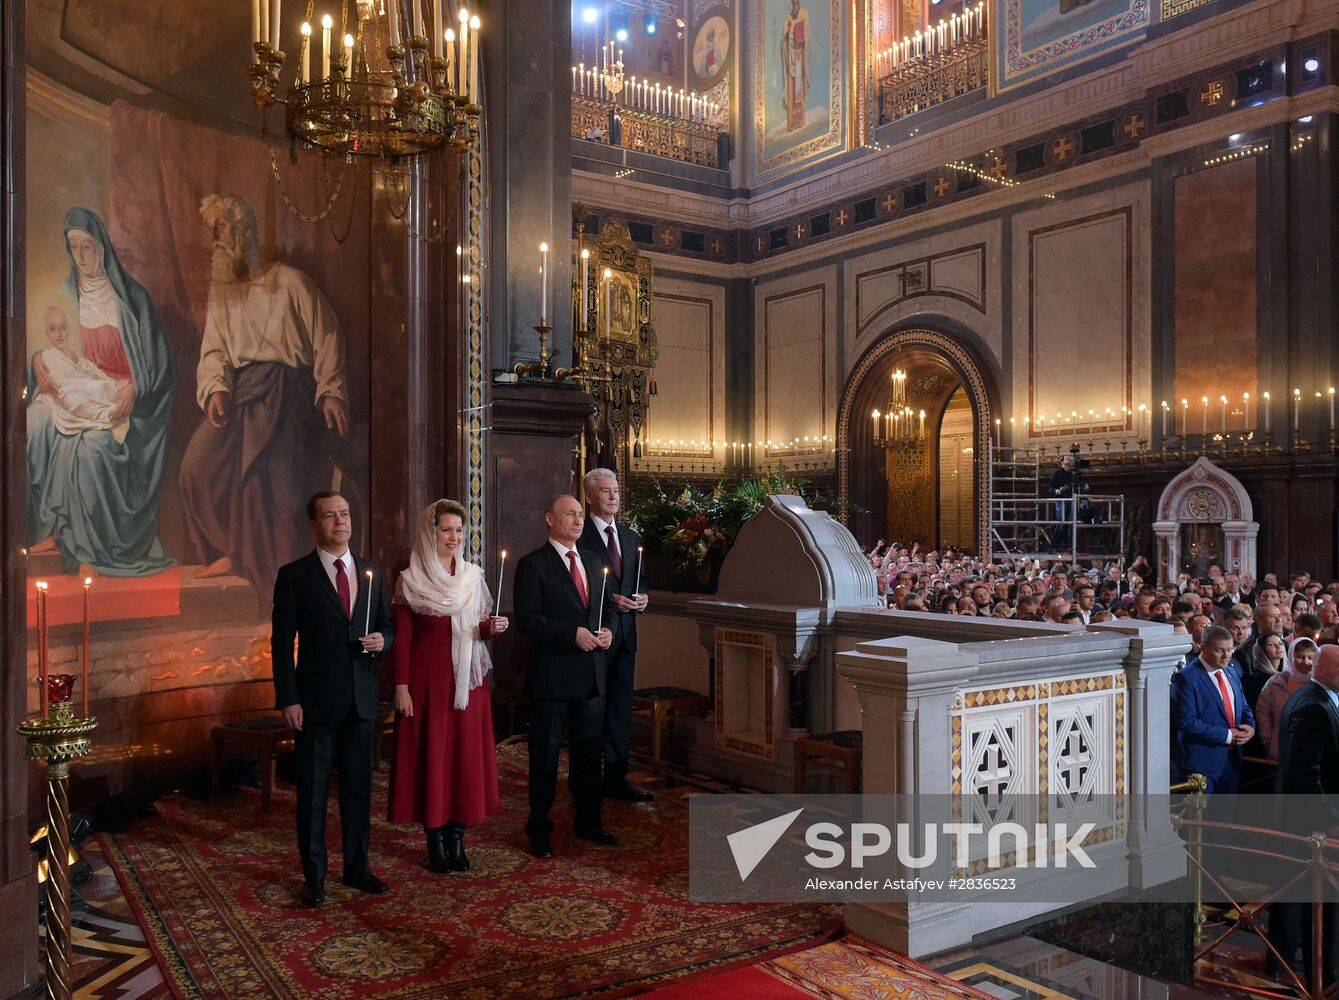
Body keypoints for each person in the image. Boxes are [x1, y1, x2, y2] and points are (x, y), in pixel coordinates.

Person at [180, 193, 350, 601]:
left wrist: (331, 391)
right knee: (195, 469)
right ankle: (232, 552)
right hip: (241, 397)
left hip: (288, 396)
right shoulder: (223, 294)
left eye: (222, 227)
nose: (216, 238)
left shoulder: (289, 282)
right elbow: (214, 351)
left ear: (244, 230)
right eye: (212, 230)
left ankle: (279, 588)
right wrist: (217, 388)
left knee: (273, 485)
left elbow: (327, 335)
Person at [27, 207, 176, 577]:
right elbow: (42, 338)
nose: (79, 256)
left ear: (103, 248)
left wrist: (135, 387)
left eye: (87, 247)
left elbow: (160, 366)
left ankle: (84, 548)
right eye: (73, 246)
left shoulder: (131, 299)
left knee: (92, 447)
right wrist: (35, 362)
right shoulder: (67, 294)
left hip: (125, 402)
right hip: (78, 390)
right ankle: (47, 530)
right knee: (35, 422)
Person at [271, 491, 394, 907]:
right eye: (330, 515)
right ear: (314, 524)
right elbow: (281, 641)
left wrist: (383, 640)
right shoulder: (294, 575)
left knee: (359, 790)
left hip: (361, 701)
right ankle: (314, 876)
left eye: (344, 513)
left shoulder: (372, 571)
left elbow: (387, 627)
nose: (340, 521)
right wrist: (288, 697)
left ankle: (357, 868)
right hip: (315, 702)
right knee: (313, 794)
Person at [388, 500, 509, 873]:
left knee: (464, 756)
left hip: (469, 684)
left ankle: (458, 837)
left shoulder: (473, 576)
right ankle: (435, 839)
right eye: (446, 530)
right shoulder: (410, 579)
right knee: (434, 756)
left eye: (459, 530)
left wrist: (492, 628)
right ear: (431, 533)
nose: (454, 537)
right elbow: (403, 639)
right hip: (428, 683)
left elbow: (478, 627)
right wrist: (401, 686)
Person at [513, 495, 619, 858]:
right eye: (569, 514)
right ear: (549, 519)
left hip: (590, 676)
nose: (577, 520)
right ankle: (538, 829)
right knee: (544, 758)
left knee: (589, 756)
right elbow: (528, 620)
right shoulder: (533, 564)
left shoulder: (592, 559)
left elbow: (608, 610)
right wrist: (570, 633)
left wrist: (608, 631)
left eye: (579, 514)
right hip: (553, 677)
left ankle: (589, 822)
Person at [578, 469, 652, 802]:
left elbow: (641, 579)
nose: (613, 497)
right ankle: (589, 783)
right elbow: (577, 586)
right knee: (592, 712)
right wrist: (611, 601)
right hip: (595, 637)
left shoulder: (630, 537)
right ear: (590, 496)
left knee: (621, 711)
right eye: (606, 492)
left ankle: (617, 779)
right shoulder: (580, 538)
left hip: (626, 637)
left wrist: (643, 598)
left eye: (616, 491)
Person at [1272, 644, 1339, 986]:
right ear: (1324, 671)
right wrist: (1330, 818)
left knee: (1294, 894)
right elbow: (1306, 772)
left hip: (1299, 818)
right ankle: (1320, 978)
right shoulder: (1313, 706)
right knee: (1315, 902)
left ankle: (1284, 964)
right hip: (1312, 825)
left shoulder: (1316, 697)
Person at [1171, 625, 1255, 793]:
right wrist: (1228, 735)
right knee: (1199, 818)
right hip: (1201, 766)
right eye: (1219, 651)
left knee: (1225, 817)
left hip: (1231, 761)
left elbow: (1243, 706)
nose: (1226, 656)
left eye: (1230, 650)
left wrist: (1250, 726)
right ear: (1203, 647)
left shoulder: (1231, 670)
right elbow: (1186, 721)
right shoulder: (1186, 678)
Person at [32, 305, 130, 442]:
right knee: (75, 400)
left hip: (84, 385)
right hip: (65, 393)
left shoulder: (73, 354)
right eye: (53, 329)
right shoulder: (45, 356)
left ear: (68, 330)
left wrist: (76, 360)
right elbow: (53, 382)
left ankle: (115, 408)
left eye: (63, 328)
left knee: (100, 387)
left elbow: (91, 370)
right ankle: (110, 415)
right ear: (47, 333)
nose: (59, 334)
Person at [1256, 637, 1318, 761]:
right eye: (1300, 657)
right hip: (1280, 749)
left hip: (1314, 750)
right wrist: (1269, 741)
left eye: (1310, 657)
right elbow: (1263, 712)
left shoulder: (1320, 683)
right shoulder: (1276, 682)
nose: (1305, 662)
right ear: (1291, 657)